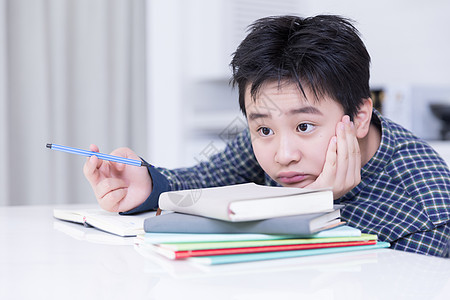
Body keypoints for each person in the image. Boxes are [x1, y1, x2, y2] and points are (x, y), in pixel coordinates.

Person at [84, 15, 450, 257]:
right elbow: (203, 183)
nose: (284, 154)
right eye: (263, 128)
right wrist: (147, 184)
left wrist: (308, 209)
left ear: (358, 116)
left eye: (305, 126)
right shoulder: (278, 133)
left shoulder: (428, 211)